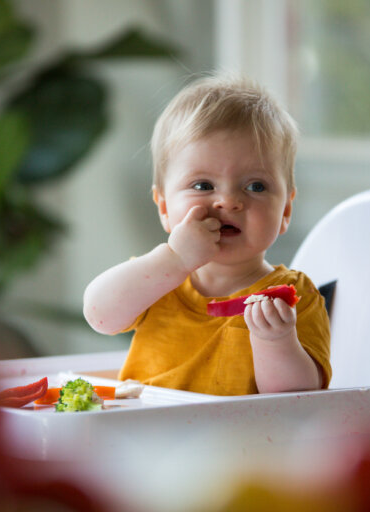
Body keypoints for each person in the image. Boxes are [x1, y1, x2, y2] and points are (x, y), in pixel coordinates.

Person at [83, 73, 330, 395]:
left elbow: (299, 400)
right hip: (146, 436)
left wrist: (276, 340)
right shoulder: (156, 279)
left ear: (284, 210)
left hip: (248, 442)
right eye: (202, 185)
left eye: (256, 186)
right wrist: (174, 260)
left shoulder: (294, 296)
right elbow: (100, 315)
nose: (228, 201)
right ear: (164, 207)